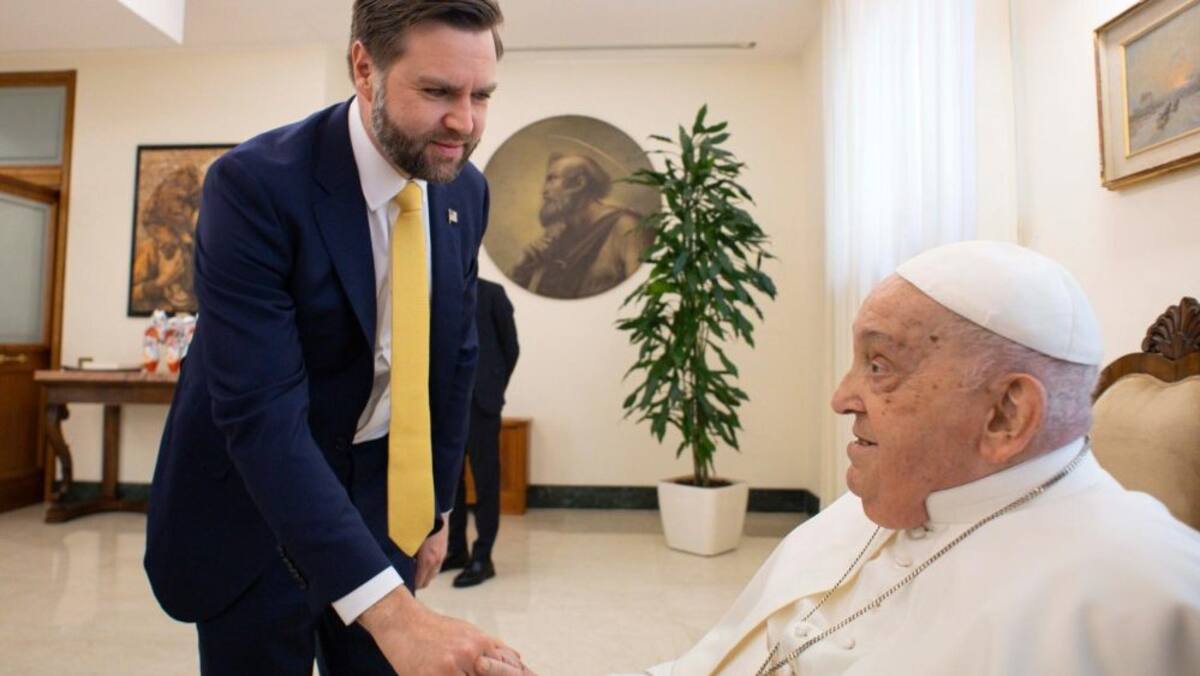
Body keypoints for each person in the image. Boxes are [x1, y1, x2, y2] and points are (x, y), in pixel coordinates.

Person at [144, 1, 535, 674]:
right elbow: (261, 415)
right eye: (438, 91)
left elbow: (455, 358)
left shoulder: (464, 191)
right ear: (364, 66)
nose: (465, 123)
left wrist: (436, 505)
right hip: (255, 510)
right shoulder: (254, 186)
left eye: (481, 96)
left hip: (384, 505)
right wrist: (397, 616)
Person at [636, 241, 1200, 675]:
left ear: (1005, 414)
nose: (841, 397)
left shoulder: (1142, 600)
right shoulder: (865, 510)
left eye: (878, 365)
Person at [442, 277, 520, 587]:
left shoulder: (492, 294)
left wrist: (494, 388)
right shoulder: (444, 289)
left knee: (486, 481)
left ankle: (483, 557)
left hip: (482, 405)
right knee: (452, 482)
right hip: (448, 403)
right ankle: (456, 549)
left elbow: (511, 348)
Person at [510, 153, 650, 299]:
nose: (544, 191)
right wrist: (522, 269)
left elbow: (643, 296)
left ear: (579, 183)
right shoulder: (559, 235)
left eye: (552, 179)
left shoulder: (627, 227)